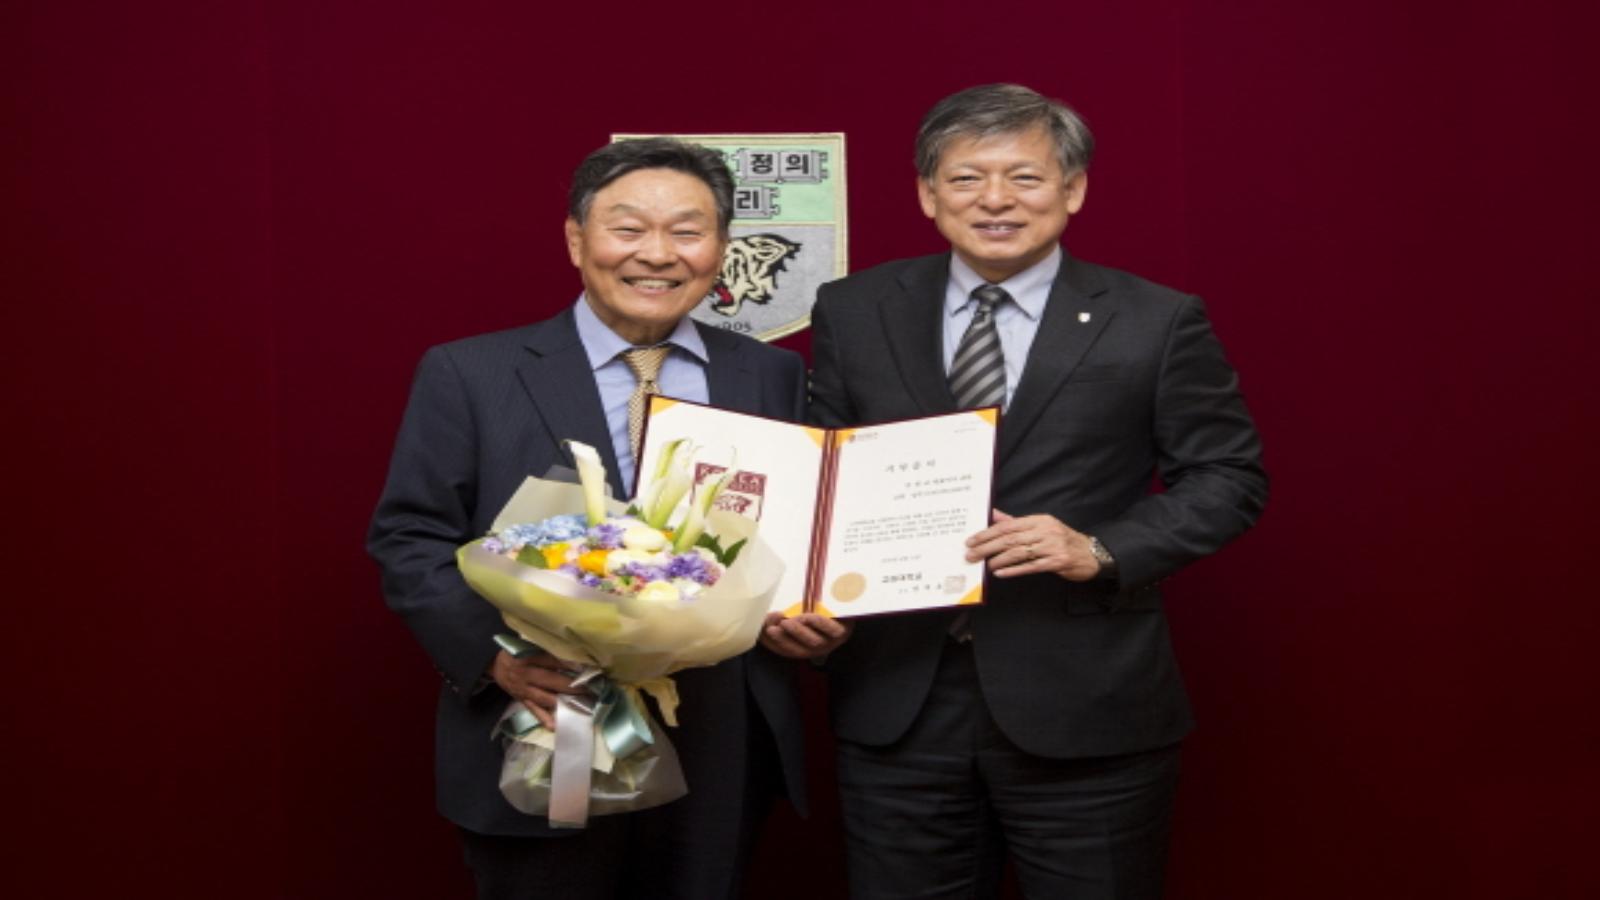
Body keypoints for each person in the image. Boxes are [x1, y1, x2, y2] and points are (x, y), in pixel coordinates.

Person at [798, 83, 1269, 899]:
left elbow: (1230, 476)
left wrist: (1101, 548)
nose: (995, 200)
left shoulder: (1155, 319)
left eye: (1024, 177)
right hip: (896, 702)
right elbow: (821, 473)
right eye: (966, 178)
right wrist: (800, 598)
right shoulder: (855, 308)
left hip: (1087, 704)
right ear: (928, 194)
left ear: (1072, 189)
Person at [368, 137, 841, 900]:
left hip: (720, 735)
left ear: (721, 247)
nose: (657, 253)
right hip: (545, 718)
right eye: (628, 228)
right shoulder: (471, 372)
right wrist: (496, 660)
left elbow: (790, 529)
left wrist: (807, 614)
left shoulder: (771, 373)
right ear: (576, 239)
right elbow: (409, 536)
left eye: (687, 231)